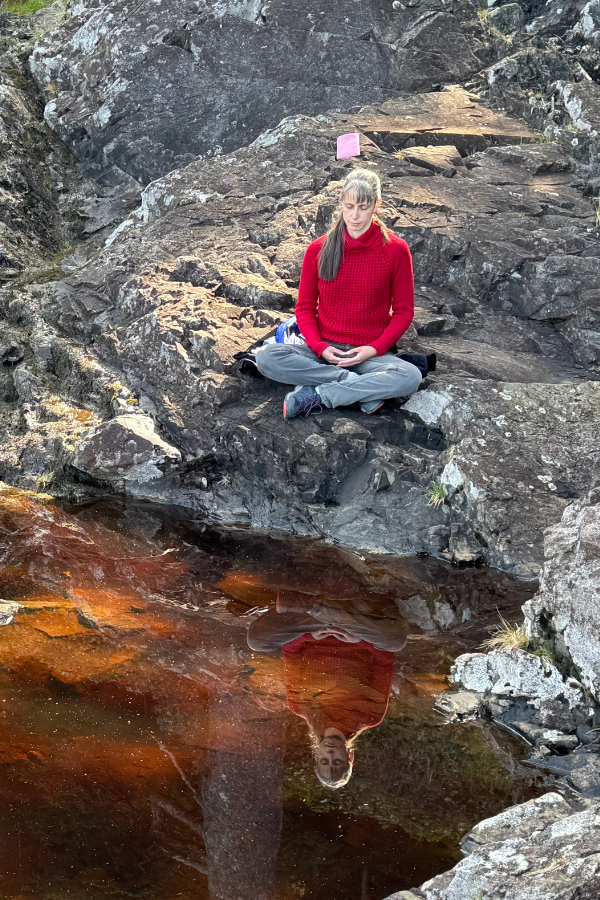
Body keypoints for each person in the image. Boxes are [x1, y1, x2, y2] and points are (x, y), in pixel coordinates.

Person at [255, 168, 422, 418]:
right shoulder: (318, 249)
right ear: (341, 204)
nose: (355, 215)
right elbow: (305, 308)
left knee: (410, 377)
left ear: (376, 206)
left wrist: (374, 349)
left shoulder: (396, 250)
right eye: (349, 206)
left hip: (367, 353)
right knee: (267, 357)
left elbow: (403, 312)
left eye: (363, 207)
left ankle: (319, 395)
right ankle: (353, 384)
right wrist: (320, 347)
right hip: (322, 352)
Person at [247, 598, 406, 788]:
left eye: (324, 761)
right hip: (355, 631)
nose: (330, 755)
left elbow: (291, 652)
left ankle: (324, 610)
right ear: (350, 757)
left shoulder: (299, 706)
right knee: (395, 642)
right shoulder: (370, 716)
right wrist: (358, 639)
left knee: (256, 641)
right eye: (337, 761)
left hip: (315, 628)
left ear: (317, 756)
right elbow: (385, 661)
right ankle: (325, 608)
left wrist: (311, 636)